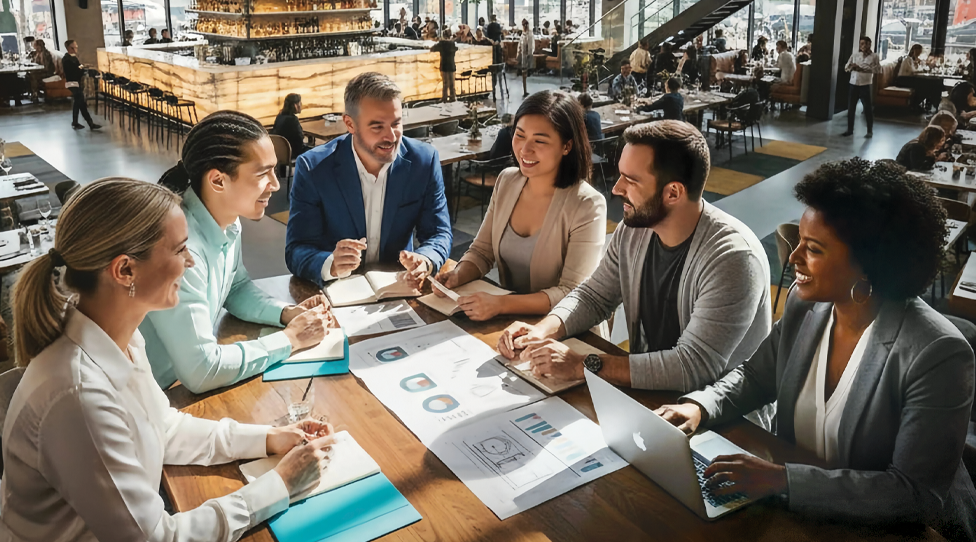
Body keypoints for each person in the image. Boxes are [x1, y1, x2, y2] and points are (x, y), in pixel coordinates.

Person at [654, 158, 976, 542]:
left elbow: (914, 495)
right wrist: (700, 405)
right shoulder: (806, 304)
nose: (792, 258)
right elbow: (755, 375)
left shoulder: (937, 353)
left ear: (868, 265)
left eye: (814, 249)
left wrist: (782, 480)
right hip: (804, 512)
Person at [0, 177, 337, 541]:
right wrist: (280, 485)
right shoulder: (78, 397)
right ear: (125, 270)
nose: (191, 261)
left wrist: (269, 438)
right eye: (179, 250)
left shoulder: (121, 336)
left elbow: (164, 428)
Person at [496, 121, 772, 402]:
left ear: (673, 193)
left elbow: (693, 366)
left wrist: (584, 364)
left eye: (631, 180)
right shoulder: (635, 228)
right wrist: (543, 330)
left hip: (722, 422)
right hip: (648, 395)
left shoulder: (734, 259)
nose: (616, 189)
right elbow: (594, 297)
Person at [144, 112, 335, 393]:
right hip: (154, 395)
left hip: (172, 383)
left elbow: (235, 287)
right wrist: (290, 339)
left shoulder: (228, 219)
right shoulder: (181, 252)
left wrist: (286, 313)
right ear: (218, 181)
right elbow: (202, 369)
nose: (276, 184)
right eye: (262, 174)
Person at [435, 91, 605, 321]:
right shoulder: (507, 181)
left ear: (567, 146)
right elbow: (482, 252)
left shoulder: (587, 204)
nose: (525, 150)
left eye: (540, 141)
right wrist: (457, 275)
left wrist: (501, 303)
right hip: (507, 321)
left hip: (563, 333)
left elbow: (571, 293)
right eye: (520, 135)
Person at [286, 72, 452, 288]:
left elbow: (438, 232)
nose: (391, 137)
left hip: (398, 288)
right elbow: (297, 248)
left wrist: (426, 260)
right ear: (350, 124)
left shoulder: (424, 161)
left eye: (396, 124)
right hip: (336, 292)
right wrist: (330, 263)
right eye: (377, 127)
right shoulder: (313, 168)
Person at [842, 36, 880, 138]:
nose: (862, 46)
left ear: (869, 44)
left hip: (865, 85)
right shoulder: (855, 55)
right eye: (861, 44)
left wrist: (862, 69)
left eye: (864, 44)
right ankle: (850, 130)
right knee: (851, 108)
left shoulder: (874, 56)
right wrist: (851, 67)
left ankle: (869, 131)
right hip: (853, 84)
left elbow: (877, 70)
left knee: (867, 108)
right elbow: (846, 67)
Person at [62, 40, 101, 131]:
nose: (76, 48)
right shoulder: (67, 59)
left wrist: (82, 68)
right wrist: (82, 69)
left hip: (76, 82)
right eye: (75, 47)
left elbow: (78, 67)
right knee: (81, 104)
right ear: (70, 48)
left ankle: (75, 122)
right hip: (72, 83)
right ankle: (90, 123)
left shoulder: (73, 58)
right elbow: (74, 72)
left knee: (77, 103)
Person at [272, 93, 313, 160]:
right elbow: (299, 139)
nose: (301, 105)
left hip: (280, 152)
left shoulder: (279, 116)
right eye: (300, 103)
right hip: (293, 152)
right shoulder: (293, 120)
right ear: (295, 105)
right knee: (319, 151)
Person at [431, 29, 458, 102]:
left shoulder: (441, 43)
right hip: (452, 65)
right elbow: (456, 49)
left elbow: (432, 49)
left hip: (444, 65)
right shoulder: (453, 43)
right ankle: (452, 97)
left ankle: (445, 97)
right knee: (452, 83)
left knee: (445, 83)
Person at [517, 19, 534, 97]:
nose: (525, 27)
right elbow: (520, 45)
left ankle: (525, 90)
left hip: (526, 56)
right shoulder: (523, 35)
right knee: (524, 73)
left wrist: (529, 55)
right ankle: (525, 90)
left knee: (525, 73)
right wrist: (518, 54)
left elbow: (530, 47)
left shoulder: (529, 35)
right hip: (523, 56)